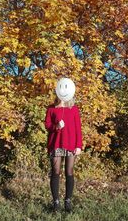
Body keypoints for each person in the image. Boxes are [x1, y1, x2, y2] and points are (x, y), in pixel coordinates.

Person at [45, 78, 83, 213]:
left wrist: (79, 145)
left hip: (71, 145)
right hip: (56, 144)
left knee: (69, 172)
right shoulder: (51, 109)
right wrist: (56, 126)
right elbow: (47, 126)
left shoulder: (73, 109)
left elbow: (78, 128)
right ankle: (56, 202)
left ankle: (68, 201)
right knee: (55, 172)